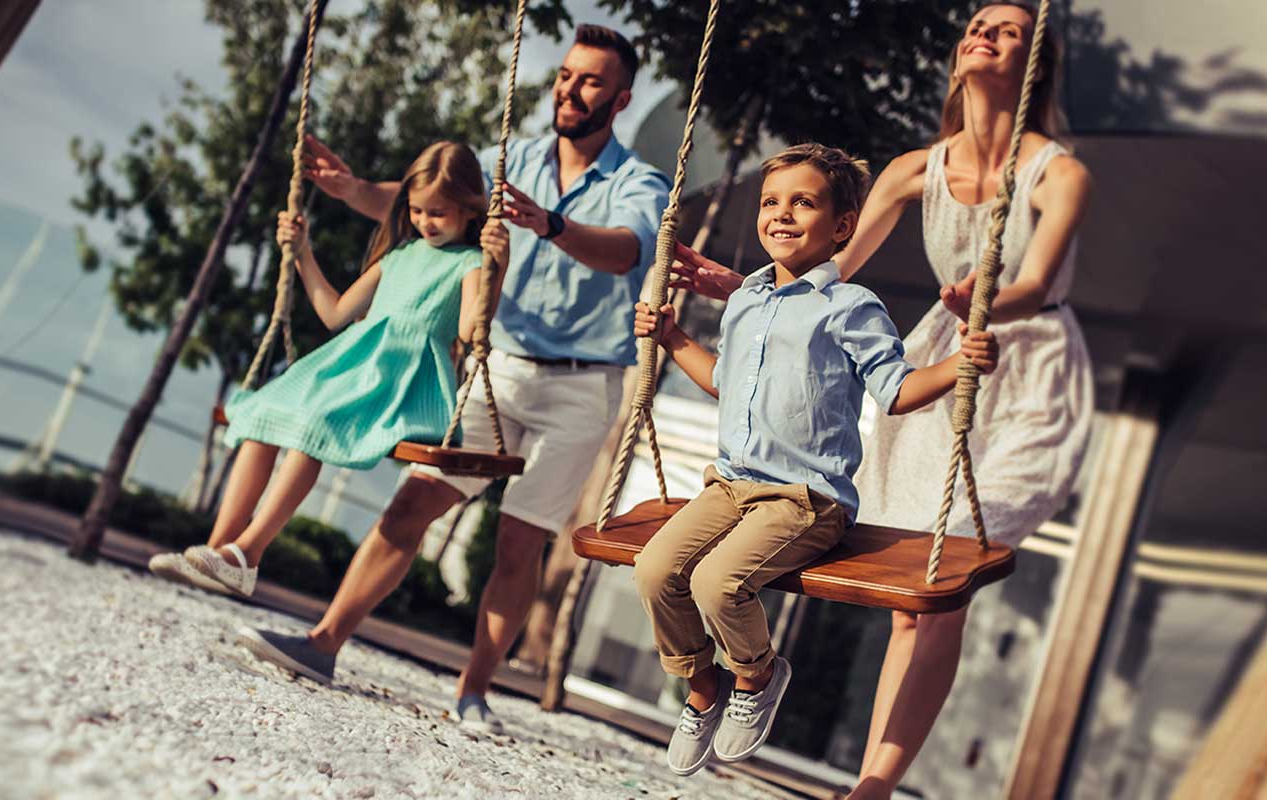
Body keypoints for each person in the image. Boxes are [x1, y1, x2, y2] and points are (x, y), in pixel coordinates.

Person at [665, 4, 1092, 796]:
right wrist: (739, 286)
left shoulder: (1057, 172)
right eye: (975, 25)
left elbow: (1033, 282)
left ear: (1038, 60)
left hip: (1021, 368)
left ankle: (873, 786)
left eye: (1004, 28)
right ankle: (876, 782)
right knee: (911, 598)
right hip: (938, 362)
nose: (980, 36)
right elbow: (823, 275)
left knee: (946, 576)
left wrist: (984, 299)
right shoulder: (913, 169)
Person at [233, 24, 669, 736]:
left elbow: (624, 253)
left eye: (590, 81)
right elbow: (428, 205)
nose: (570, 89)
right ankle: (322, 645)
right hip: (496, 373)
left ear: (619, 99)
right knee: (408, 511)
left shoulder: (637, 183)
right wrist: (349, 190)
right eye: (565, 75)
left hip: (582, 387)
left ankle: (473, 691)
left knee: (517, 545)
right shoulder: (511, 158)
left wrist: (551, 224)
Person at [631, 144, 999, 776]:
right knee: (654, 570)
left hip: (806, 499)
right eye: (771, 201)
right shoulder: (746, 299)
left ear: (842, 227)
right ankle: (702, 689)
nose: (781, 214)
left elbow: (897, 391)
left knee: (716, 583)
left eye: (803, 202)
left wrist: (960, 364)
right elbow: (726, 380)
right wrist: (673, 338)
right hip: (729, 487)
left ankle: (757, 674)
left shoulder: (852, 307)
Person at [147, 141, 508, 602]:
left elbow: (469, 330)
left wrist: (497, 266)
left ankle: (249, 554)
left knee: (315, 423)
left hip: (404, 381)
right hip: (353, 364)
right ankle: (218, 551)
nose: (424, 222)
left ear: (467, 208)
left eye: (438, 212)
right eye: (416, 210)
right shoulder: (398, 256)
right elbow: (335, 313)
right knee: (262, 413)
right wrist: (302, 252)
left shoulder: (470, 262)